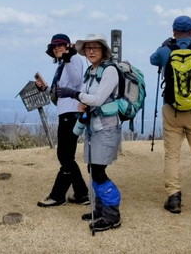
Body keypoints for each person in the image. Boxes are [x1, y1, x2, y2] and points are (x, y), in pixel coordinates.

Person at [58, 33, 123, 232]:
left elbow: (97, 99)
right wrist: (81, 104)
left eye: (96, 47)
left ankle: (112, 215)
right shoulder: (90, 71)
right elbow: (88, 99)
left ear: (103, 50)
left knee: (99, 171)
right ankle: (100, 210)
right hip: (93, 127)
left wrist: (74, 94)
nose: (91, 51)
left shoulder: (110, 70)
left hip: (106, 127)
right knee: (93, 170)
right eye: (88, 48)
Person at [150, 15, 191, 214]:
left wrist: (165, 45)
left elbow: (153, 59)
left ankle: (174, 198)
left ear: (173, 31)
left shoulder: (165, 51)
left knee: (172, 155)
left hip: (172, 109)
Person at [36, 34, 90, 207]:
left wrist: (67, 59)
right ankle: (81, 194)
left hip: (72, 112)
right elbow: (60, 93)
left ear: (68, 46)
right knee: (67, 156)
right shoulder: (62, 64)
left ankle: (58, 195)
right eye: (54, 46)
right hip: (65, 111)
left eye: (60, 45)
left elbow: (76, 82)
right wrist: (45, 89)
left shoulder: (73, 59)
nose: (56, 48)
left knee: (65, 156)